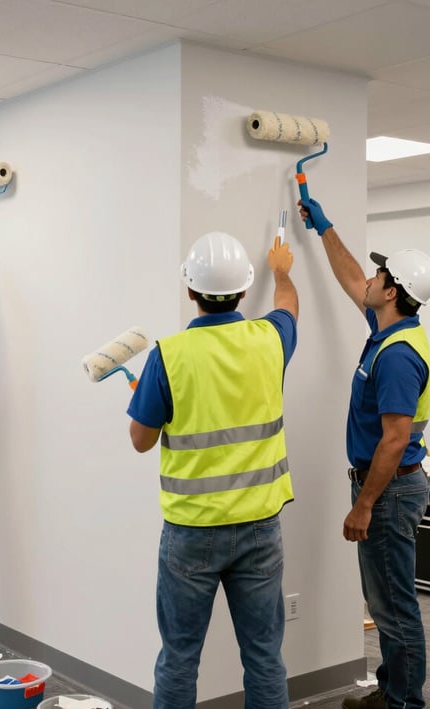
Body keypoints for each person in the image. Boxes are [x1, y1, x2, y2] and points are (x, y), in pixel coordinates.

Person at [127, 231, 299, 709]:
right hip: (261, 528)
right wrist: (281, 271)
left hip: (192, 532)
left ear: (189, 290)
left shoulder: (169, 355)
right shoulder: (271, 339)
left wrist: (147, 396)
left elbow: (140, 441)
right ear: (245, 290)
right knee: (265, 656)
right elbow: (288, 305)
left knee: (180, 658)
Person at [298, 198, 430, 709]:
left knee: (395, 607)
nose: (371, 278)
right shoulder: (391, 328)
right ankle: (391, 690)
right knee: (385, 600)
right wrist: (323, 225)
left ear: (393, 291)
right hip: (388, 486)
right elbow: (352, 278)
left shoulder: (397, 356)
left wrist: (365, 504)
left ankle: (405, 704)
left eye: (381, 274)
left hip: (390, 491)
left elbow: (395, 438)